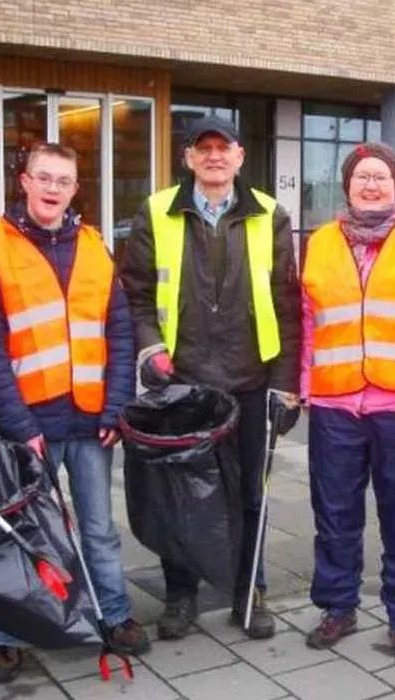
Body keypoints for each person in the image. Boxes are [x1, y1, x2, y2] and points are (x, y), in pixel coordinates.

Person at [0, 142, 148, 682]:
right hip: (29, 424)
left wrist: (117, 406)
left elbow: (119, 333)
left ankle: (114, 614)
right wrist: (17, 423)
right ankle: (4, 637)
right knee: (19, 531)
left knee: (98, 529)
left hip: (91, 421)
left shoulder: (94, 247)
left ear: (74, 189)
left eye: (63, 180)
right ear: (24, 181)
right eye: (43, 177)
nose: (52, 188)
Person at [118, 116, 301, 640]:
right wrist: (152, 347)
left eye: (224, 148)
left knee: (250, 495)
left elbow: (287, 305)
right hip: (183, 382)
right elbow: (135, 294)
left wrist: (285, 384)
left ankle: (250, 593)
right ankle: (181, 596)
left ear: (240, 157)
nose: (215, 156)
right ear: (189, 158)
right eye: (205, 148)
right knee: (180, 496)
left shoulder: (270, 214)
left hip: (250, 379)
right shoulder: (157, 211)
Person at [298, 142, 395, 659]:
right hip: (335, 402)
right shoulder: (319, 242)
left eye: (381, 176)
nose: (371, 185)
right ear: (348, 185)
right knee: (335, 512)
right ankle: (338, 606)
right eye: (362, 176)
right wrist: (303, 384)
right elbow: (308, 319)